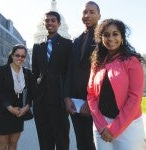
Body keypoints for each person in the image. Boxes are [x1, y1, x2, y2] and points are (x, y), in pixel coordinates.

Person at [87, 18, 146, 150]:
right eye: (106, 35)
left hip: (129, 127)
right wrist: (101, 125)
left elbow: (135, 97)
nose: (111, 38)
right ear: (101, 38)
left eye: (115, 34)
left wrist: (113, 129)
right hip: (101, 126)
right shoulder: (97, 63)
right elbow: (91, 95)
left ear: (122, 37)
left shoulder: (132, 61)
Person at [32, 11, 72, 150]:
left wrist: (68, 97)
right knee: (45, 142)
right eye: (47, 20)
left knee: (62, 140)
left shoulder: (68, 45)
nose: (49, 23)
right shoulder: (38, 47)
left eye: (53, 20)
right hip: (41, 102)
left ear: (59, 24)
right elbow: (34, 74)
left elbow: (69, 73)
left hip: (59, 101)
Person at [64, 1, 101, 150]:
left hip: (94, 101)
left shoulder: (104, 39)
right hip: (74, 102)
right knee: (80, 140)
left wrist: (90, 101)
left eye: (92, 12)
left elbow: (103, 73)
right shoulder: (77, 40)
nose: (87, 15)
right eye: (85, 12)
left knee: (93, 142)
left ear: (99, 15)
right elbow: (70, 70)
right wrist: (66, 97)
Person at [0, 44, 32, 150]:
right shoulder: (2, 70)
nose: (20, 58)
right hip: (3, 111)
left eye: (22, 56)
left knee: (13, 143)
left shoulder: (27, 73)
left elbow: (31, 93)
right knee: (3, 144)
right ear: (12, 56)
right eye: (17, 55)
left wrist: (27, 107)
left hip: (19, 113)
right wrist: (10, 108)